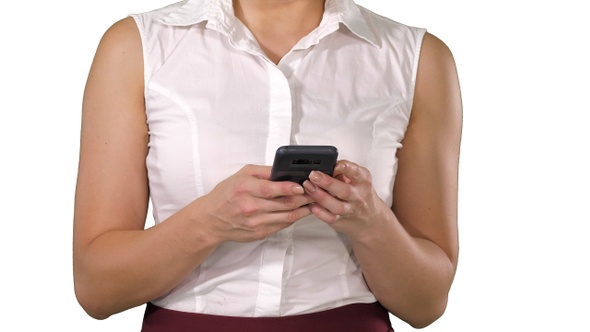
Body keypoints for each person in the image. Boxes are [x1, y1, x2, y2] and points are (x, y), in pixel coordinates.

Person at [73, 0, 462, 330]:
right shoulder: (138, 46)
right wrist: (208, 222)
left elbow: (427, 304)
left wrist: (370, 222)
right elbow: (96, 288)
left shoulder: (417, 59)